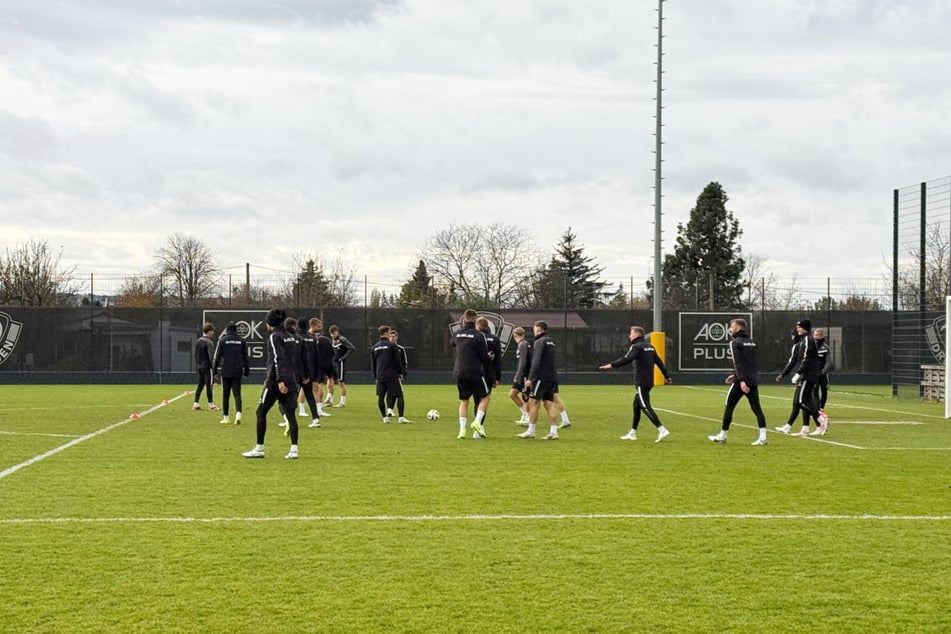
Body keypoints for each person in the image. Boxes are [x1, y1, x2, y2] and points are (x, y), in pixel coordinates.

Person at [242, 309, 300, 459]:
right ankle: (294, 450)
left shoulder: (275, 337)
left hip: (276, 381)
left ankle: (259, 448)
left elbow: (277, 359)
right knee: (290, 415)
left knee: (260, 412)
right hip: (292, 379)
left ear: (269, 323)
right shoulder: (291, 337)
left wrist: (279, 380)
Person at [598, 325, 672, 442]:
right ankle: (633, 433)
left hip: (642, 382)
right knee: (636, 406)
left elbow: (627, 358)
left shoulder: (636, 347)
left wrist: (612, 365)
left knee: (645, 407)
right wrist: (666, 376)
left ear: (637, 335)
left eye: (631, 333)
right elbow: (659, 362)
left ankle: (662, 430)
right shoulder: (650, 346)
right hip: (649, 381)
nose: (629, 335)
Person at [707, 318, 768, 445]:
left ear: (738, 327)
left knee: (729, 406)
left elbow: (738, 363)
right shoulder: (751, 342)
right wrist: (736, 376)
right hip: (752, 379)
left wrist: (740, 380)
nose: (730, 328)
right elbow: (752, 363)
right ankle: (763, 437)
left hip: (742, 381)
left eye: (732, 326)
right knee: (757, 408)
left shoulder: (735, 342)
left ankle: (723, 435)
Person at [774, 319, 826, 437]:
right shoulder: (801, 342)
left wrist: (798, 373)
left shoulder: (808, 340)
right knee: (800, 402)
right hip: (805, 375)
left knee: (801, 402)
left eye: (800, 327)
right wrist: (784, 374)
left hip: (808, 375)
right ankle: (803, 428)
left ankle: (820, 419)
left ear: (805, 328)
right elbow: (793, 361)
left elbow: (807, 358)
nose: (798, 330)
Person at [452, 309, 491, 440]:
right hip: (475, 372)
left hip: (460, 372)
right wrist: (489, 357)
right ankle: (477, 422)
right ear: (475, 320)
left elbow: (452, 343)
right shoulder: (479, 335)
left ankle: (462, 430)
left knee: (464, 401)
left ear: (464, 319)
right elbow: (484, 356)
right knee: (485, 397)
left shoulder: (457, 334)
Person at [518, 320, 561, 440]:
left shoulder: (539, 342)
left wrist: (531, 378)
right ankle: (554, 432)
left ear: (538, 330)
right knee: (549, 404)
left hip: (541, 377)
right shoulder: (550, 342)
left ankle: (531, 431)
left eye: (534, 329)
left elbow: (536, 361)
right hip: (552, 377)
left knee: (533, 403)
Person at [470, 316, 502, 438]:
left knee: (477, 400)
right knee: (485, 399)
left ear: (478, 326)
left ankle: (478, 427)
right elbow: (498, 360)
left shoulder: (475, 338)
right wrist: (497, 377)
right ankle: (479, 427)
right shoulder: (495, 339)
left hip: (476, 372)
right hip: (489, 374)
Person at [212, 322, 250, 425]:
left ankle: (226, 417)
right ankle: (238, 414)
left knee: (226, 395)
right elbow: (245, 358)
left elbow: (217, 357)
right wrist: (246, 371)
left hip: (226, 371)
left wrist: (214, 371)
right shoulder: (241, 341)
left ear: (227, 330)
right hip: (237, 370)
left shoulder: (223, 340)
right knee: (237, 394)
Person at [370, 325, 406, 424]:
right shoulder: (392, 346)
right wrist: (400, 373)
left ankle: (385, 418)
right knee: (399, 395)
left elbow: (373, 364)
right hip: (391, 375)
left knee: (381, 397)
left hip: (380, 376)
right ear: (386, 333)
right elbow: (397, 361)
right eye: (389, 332)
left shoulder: (375, 347)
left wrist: (375, 377)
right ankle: (401, 418)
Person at [293, 317, 321, 429]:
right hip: (310, 371)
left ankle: (289, 419)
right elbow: (317, 357)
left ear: (297, 326)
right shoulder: (313, 338)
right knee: (309, 396)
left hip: (297, 371)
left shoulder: (296, 338)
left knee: (291, 396)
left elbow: (296, 357)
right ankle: (316, 418)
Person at [309, 318, 334, 418]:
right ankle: (317, 408)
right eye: (319, 326)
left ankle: (318, 407)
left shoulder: (323, 339)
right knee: (317, 386)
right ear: (313, 325)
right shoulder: (311, 338)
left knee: (318, 385)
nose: (320, 328)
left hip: (320, 365)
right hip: (314, 365)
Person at [810, 327, 833, 436]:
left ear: (822, 336)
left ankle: (821, 408)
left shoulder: (826, 348)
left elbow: (829, 362)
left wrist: (824, 371)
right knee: (814, 392)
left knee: (824, 391)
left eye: (818, 335)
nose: (816, 337)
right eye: (815, 335)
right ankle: (818, 410)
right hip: (814, 374)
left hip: (823, 374)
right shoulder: (811, 346)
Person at [387, 329, 411, 423]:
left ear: (397, 337)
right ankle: (390, 410)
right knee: (392, 392)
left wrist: (402, 373)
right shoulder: (386, 348)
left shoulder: (400, 349)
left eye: (393, 336)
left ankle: (390, 410)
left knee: (395, 392)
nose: (392, 338)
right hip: (388, 374)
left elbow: (404, 362)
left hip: (397, 374)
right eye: (390, 336)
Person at [192, 322, 218, 411]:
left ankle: (196, 403)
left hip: (200, 366)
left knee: (200, 385)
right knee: (209, 385)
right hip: (207, 367)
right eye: (212, 331)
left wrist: (198, 364)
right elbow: (211, 356)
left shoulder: (198, 341)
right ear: (209, 331)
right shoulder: (209, 342)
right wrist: (214, 369)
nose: (213, 333)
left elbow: (195, 354)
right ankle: (211, 405)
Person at [508, 327, 532, 426]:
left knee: (525, 396)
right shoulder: (522, 344)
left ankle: (528, 418)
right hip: (522, 375)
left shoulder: (523, 344)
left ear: (515, 335)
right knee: (512, 394)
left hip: (524, 375)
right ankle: (525, 414)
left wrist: (518, 375)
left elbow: (523, 362)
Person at [328, 324, 356, 407]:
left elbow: (351, 348)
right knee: (331, 379)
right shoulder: (333, 340)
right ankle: (330, 400)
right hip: (334, 362)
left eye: (334, 333)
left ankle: (342, 402)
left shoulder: (342, 339)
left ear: (337, 332)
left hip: (341, 363)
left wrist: (343, 358)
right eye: (331, 334)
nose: (333, 335)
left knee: (341, 382)